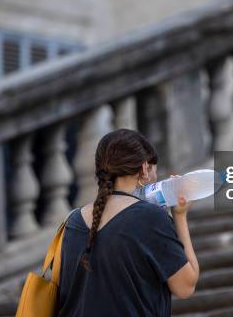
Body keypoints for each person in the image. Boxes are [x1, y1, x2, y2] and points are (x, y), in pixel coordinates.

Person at [56, 128, 199, 316]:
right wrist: (179, 216)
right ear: (145, 169)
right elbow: (185, 286)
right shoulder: (150, 217)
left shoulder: (72, 221)